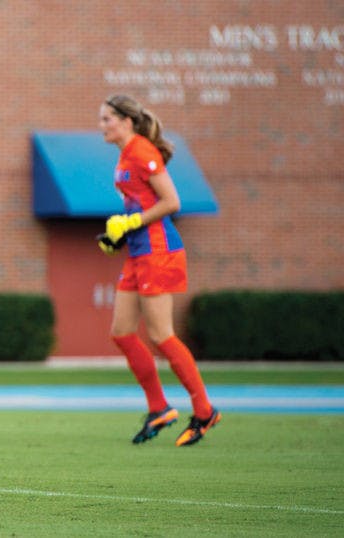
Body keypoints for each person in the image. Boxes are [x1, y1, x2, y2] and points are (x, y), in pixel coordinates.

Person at [97, 94, 221, 447]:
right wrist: (117, 236)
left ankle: (204, 410)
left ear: (127, 121)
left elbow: (171, 202)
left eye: (107, 119)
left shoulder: (142, 152)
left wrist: (132, 221)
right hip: (138, 252)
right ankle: (160, 408)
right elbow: (140, 206)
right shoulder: (124, 155)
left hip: (159, 252)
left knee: (161, 335)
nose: (102, 125)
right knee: (121, 333)